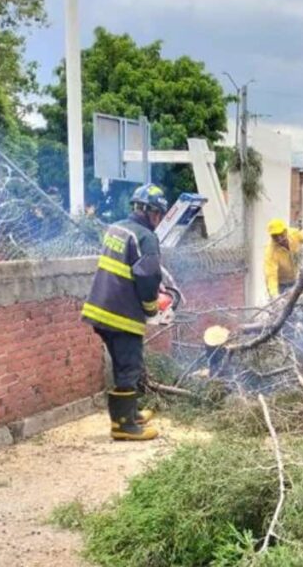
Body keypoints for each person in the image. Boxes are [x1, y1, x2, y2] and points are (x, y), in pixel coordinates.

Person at [81, 184, 169, 441]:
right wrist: (152, 308)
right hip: (121, 315)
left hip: (101, 308)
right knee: (129, 367)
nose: (159, 219)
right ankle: (123, 426)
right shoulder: (145, 237)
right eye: (159, 213)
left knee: (124, 365)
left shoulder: (117, 228)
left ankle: (129, 415)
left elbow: (130, 268)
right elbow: (147, 275)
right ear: (152, 212)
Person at [263, 218, 303, 299]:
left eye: (281, 234)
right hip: (282, 285)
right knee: (285, 308)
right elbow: (271, 277)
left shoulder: (294, 234)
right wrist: (275, 296)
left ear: (285, 231)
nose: (279, 239)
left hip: (297, 279)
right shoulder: (270, 253)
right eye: (275, 236)